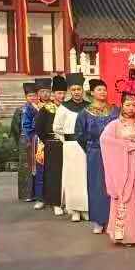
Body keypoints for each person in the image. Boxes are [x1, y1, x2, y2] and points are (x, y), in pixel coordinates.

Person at [100, 72, 135, 246]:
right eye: (128, 104)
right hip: (124, 166)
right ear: (122, 105)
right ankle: (125, 235)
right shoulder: (114, 125)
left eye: (134, 104)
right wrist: (125, 146)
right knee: (127, 196)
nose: (131, 108)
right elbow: (105, 141)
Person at [76, 78, 119, 234]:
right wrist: (91, 149)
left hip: (114, 153)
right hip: (95, 153)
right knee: (97, 186)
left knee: (113, 185)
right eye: (99, 89)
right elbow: (79, 135)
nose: (103, 92)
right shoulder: (85, 113)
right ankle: (99, 221)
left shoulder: (115, 111)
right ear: (92, 92)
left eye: (104, 89)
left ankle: (113, 220)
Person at [54, 73, 89, 221]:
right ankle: (74, 209)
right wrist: (67, 141)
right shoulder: (63, 107)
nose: (76, 92)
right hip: (70, 146)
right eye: (73, 89)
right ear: (70, 91)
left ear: (82, 90)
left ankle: (86, 208)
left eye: (78, 89)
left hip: (86, 146)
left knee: (85, 177)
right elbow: (57, 127)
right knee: (72, 178)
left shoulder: (88, 107)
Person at [32, 78, 63, 213]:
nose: (45, 94)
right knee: (42, 171)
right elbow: (38, 127)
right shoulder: (42, 108)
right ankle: (40, 198)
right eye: (42, 91)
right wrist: (46, 141)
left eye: (47, 91)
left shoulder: (62, 107)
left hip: (61, 143)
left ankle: (59, 199)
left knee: (58, 172)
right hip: (44, 143)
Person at [11, 82, 38, 202]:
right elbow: (15, 128)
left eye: (34, 95)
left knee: (37, 166)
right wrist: (21, 140)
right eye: (29, 96)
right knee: (25, 167)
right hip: (24, 140)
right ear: (25, 97)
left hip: (37, 140)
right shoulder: (20, 110)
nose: (32, 98)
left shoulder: (40, 108)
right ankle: (26, 194)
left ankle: (38, 193)